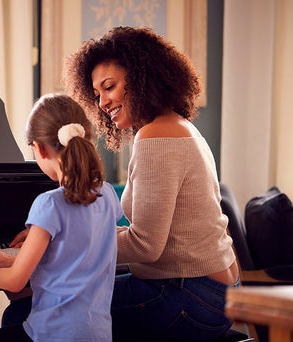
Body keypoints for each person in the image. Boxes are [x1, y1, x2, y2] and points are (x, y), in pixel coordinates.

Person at [61, 26, 239, 341]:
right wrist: (68, 230)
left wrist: (59, 241)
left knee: (40, 309)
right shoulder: (178, 126)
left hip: (188, 296)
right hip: (211, 292)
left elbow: (145, 246)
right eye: (97, 93)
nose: (102, 102)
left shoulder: (156, 134)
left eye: (109, 87)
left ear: (143, 78)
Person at [0, 93, 123, 342]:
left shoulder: (49, 203)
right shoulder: (107, 194)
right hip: (96, 334)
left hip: (50, 335)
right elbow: (69, 259)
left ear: (40, 149)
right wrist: (3, 259)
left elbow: (14, 282)